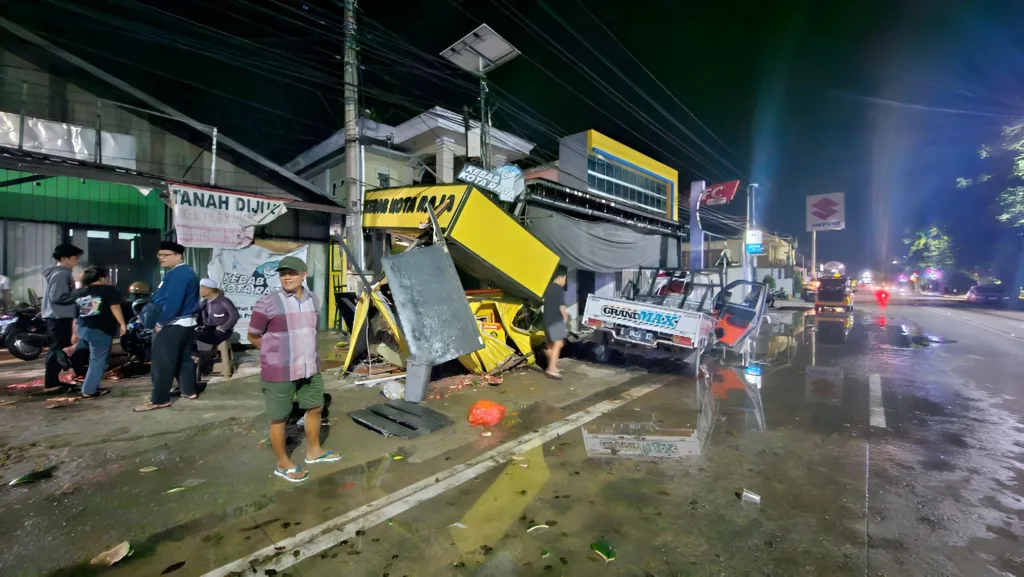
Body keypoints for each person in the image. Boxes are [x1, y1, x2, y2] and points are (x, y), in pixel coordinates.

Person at [248, 256, 340, 482]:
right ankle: (282, 463)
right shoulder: (268, 302)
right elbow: (253, 335)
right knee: (280, 417)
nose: (287, 277)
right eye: (283, 273)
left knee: (316, 407)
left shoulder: (314, 300)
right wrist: (274, 352)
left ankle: (314, 451)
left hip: (310, 367)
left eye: (292, 273)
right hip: (279, 370)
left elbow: (310, 331)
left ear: (303, 275)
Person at [134, 241, 201, 412]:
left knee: (162, 363)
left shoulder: (178, 274)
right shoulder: (186, 272)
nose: (161, 258)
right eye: (159, 255)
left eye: (166, 255)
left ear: (179, 255)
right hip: (185, 324)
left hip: (173, 324)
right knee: (184, 360)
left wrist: (161, 322)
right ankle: (189, 391)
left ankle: (159, 399)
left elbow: (174, 302)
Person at [57, 266, 127, 398]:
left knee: (90, 343)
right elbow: (115, 306)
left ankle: (72, 349)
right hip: (101, 329)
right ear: (101, 278)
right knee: (98, 361)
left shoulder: (77, 293)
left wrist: (74, 334)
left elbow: (75, 316)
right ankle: (89, 390)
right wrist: (122, 324)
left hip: (83, 328)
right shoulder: (108, 290)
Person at [42, 243, 83, 393]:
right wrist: (78, 294)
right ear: (65, 258)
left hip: (56, 316)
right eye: (74, 258)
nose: (76, 261)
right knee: (56, 349)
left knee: (57, 348)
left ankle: (53, 381)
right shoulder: (61, 273)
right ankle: (52, 383)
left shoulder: (58, 272)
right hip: (59, 316)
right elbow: (58, 296)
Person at [196, 278, 239, 376]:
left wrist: (223, 327)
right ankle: (202, 361)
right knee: (193, 336)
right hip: (210, 329)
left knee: (202, 340)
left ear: (208, 289)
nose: (199, 291)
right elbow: (198, 315)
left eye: (200, 288)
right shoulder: (205, 302)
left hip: (223, 331)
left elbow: (234, 316)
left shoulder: (223, 301)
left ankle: (205, 365)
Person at [542, 266, 570, 380]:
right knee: (558, 343)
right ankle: (551, 368)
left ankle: (552, 364)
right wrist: (565, 316)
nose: (565, 282)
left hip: (547, 319)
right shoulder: (559, 289)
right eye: (565, 279)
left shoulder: (547, 288)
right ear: (560, 277)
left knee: (552, 344)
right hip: (555, 320)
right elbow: (561, 305)